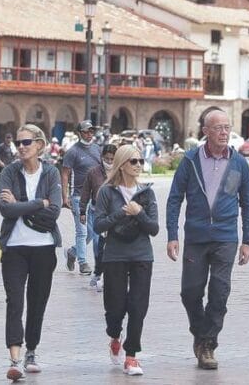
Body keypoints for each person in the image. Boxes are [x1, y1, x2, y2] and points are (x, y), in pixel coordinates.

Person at [166, 109, 249, 370]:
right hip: (196, 235)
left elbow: (248, 204)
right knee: (190, 292)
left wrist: (247, 240)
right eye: (218, 128)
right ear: (205, 131)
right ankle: (200, 331)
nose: (224, 132)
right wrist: (172, 235)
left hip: (226, 237)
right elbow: (174, 199)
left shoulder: (239, 163)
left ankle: (208, 345)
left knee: (219, 291)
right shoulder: (190, 160)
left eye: (227, 127)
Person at [0, 124, 63, 381]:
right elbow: (6, 210)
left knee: (37, 302)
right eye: (18, 143)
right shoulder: (10, 172)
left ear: (40, 145)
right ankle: (14, 359)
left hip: (44, 248)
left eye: (26, 143)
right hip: (14, 247)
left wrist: (20, 205)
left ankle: (31, 351)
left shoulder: (51, 173)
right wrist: (38, 203)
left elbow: (55, 210)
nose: (21, 147)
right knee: (15, 301)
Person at [93, 144, 160, 376]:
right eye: (133, 161)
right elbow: (98, 225)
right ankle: (114, 334)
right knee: (115, 306)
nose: (139, 165)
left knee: (138, 306)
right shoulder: (106, 192)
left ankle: (131, 356)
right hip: (115, 255)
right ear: (121, 165)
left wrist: (139, 213)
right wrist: (122, 212)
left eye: (141, 161)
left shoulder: (147, 192)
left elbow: (154, 228)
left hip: (142, 254)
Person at [61, 120, 102, 275]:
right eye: (86, 131)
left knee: (93, 232)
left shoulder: (97, 149)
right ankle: (83, 263)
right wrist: (65, 197)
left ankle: (72, 252)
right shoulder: (73, 152)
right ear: (79, 133)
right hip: (78, 197)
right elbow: (65, 174)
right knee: (82, 232)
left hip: (95, 198)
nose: (89, 134)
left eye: (91, 131)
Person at [81, 143, 119, 291]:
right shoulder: (93, 172)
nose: (109, 162)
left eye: (112, 159)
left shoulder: (120, 171)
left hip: (115, 213)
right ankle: (98, 273)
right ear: (102, 157)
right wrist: (82, 211)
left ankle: (111, 274)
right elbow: (85, 192)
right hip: (98, 212)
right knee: (98, 244)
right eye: (106, 158)